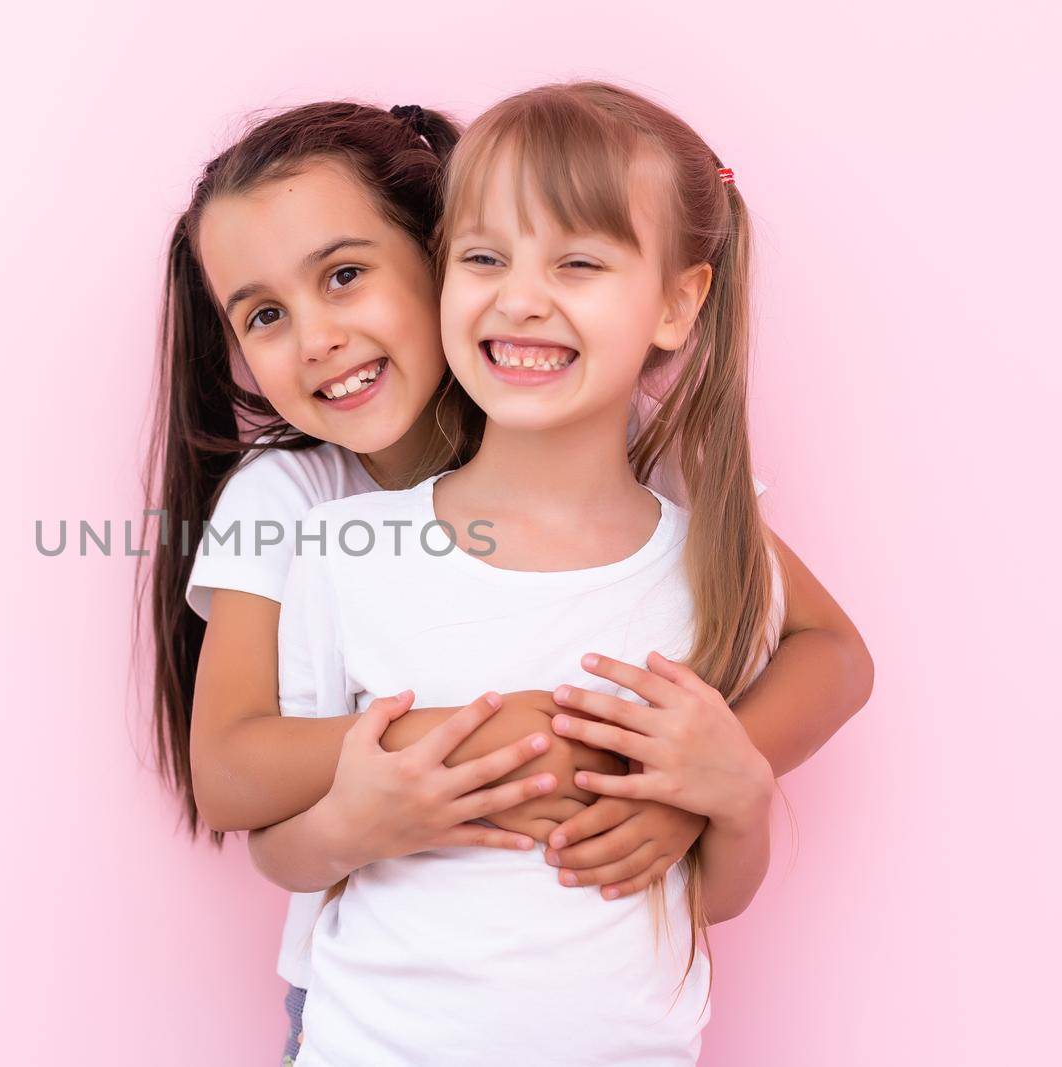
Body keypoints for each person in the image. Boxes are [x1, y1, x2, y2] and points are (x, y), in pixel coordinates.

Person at [143, 95, 872, 1065]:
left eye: (347, 276)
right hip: (381, 1007)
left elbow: (832, 652)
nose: (315, 336)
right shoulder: (299, 504)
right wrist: (510, 733)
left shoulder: (617, 460)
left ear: (438, 259)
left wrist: (695, 772)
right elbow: (231, 769)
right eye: (266, 315)